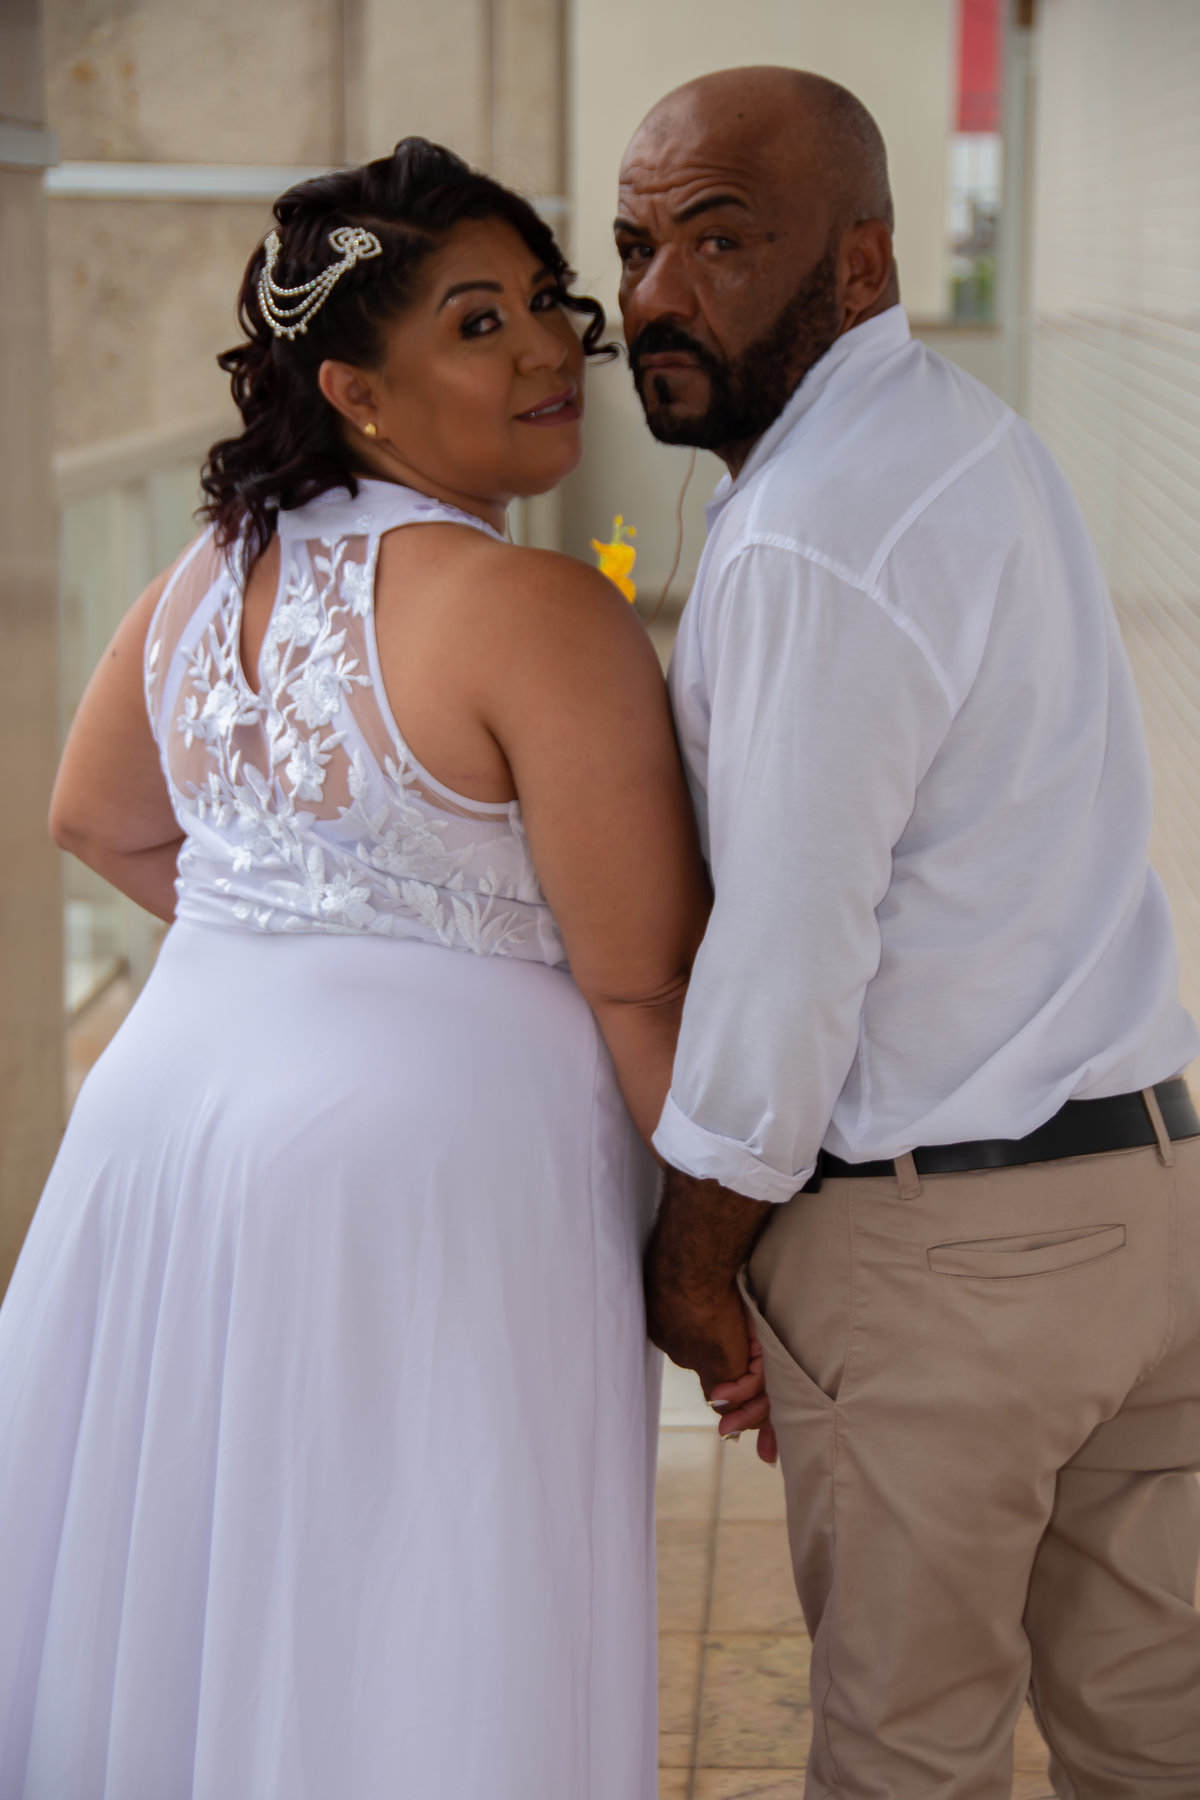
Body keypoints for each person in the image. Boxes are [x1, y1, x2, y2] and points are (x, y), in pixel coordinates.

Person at [0, 139, 711, 1800]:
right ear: (355, 391)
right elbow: (644, 986)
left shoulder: (207, 570)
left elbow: (95, 818)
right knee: (409, 1606)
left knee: (208, 1573)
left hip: (165, 1128)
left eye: (547, 300)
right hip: (430, 1193)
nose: (549, 348)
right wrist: (726, 1259)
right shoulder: (539, 609)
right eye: (478, 322)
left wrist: (304, 947)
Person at [623, 66, 1200, 1798]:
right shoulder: (967, 436)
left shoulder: (812, 532)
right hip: (1150, 1205)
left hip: (951, 1257)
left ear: (861, 263)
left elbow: (796, 945)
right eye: (638, 247)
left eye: (721, 241)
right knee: (1157, 1742)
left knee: (908, 1760)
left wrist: (697, 1253)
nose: (659, 295)